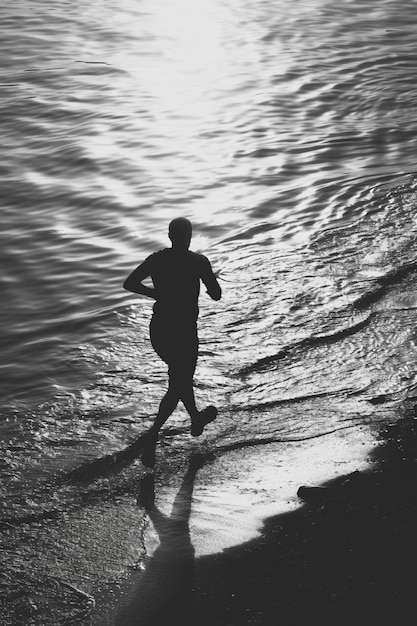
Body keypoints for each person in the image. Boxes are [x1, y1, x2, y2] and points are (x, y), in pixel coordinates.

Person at [123, 217, 222, 467]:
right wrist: (210, 281)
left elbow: (130, 283)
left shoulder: (157, 259)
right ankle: (152, 435)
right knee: (179, 381)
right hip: (184, 331)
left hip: (160, 330)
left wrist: (156, 293)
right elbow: (217, 295)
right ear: (190, 237)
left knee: (180, 378)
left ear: (170, 235)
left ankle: (196, 419)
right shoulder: (199, 262)